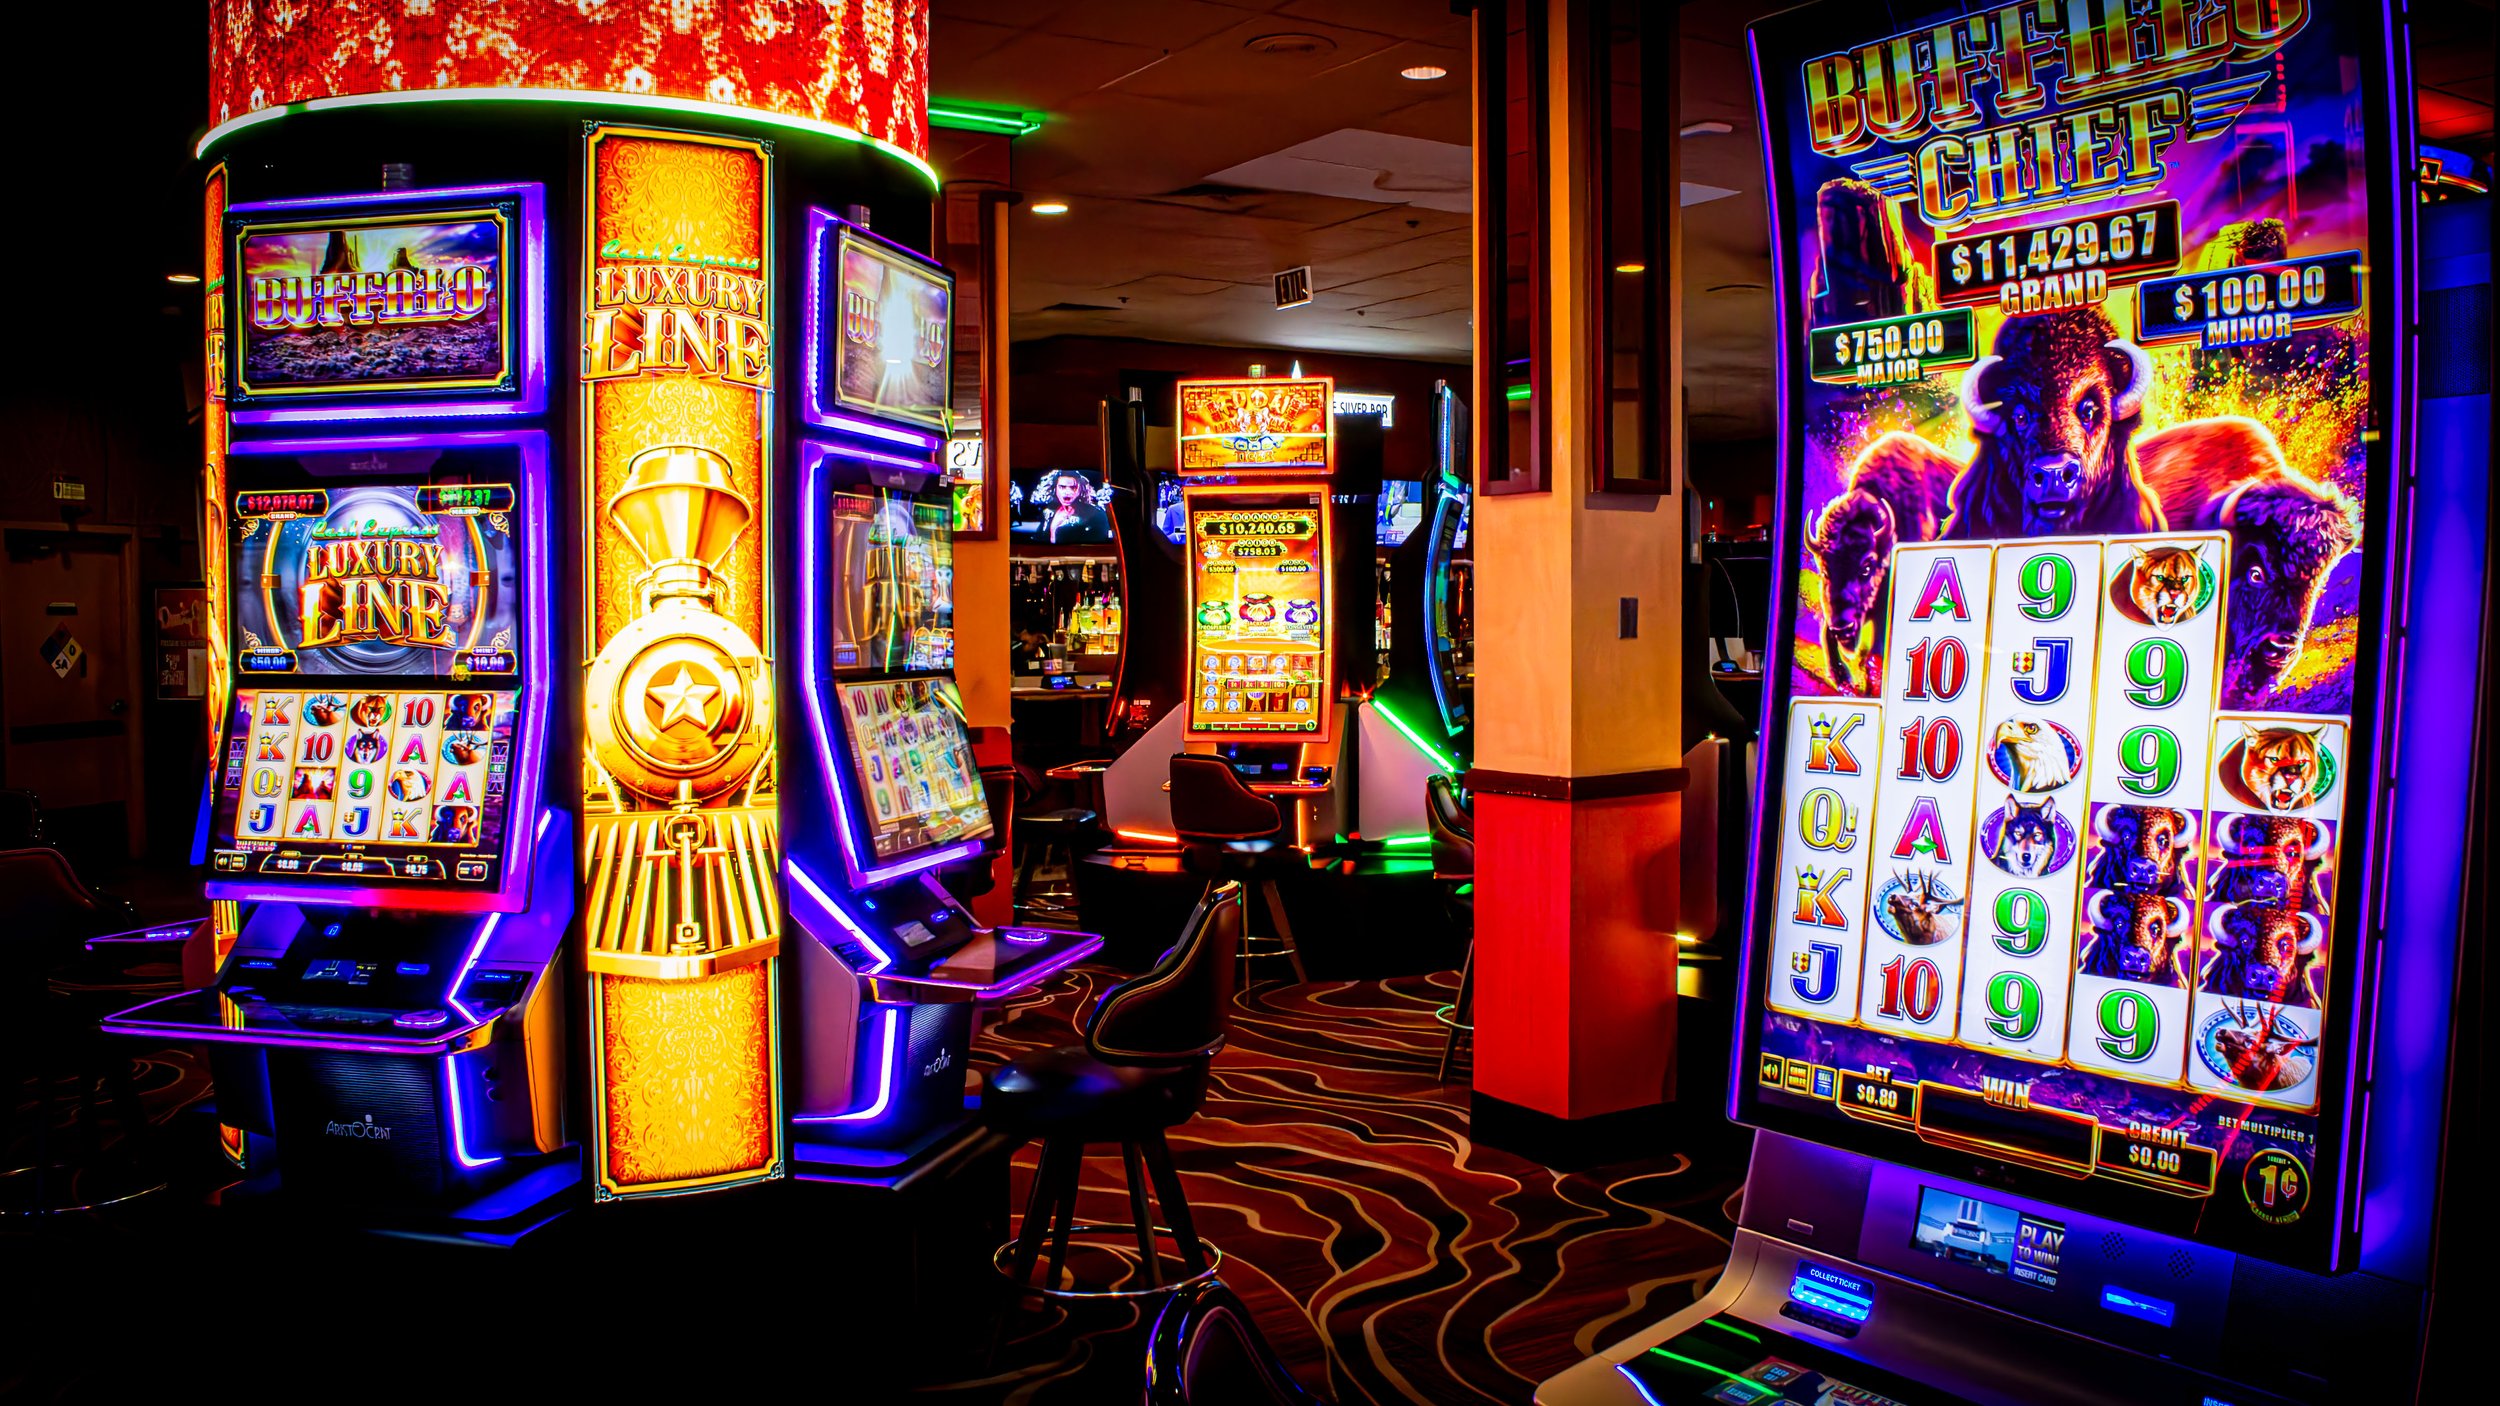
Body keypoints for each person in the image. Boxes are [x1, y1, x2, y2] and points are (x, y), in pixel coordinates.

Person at [1034, 469, 1111, 544]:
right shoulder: (1049, 513)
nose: (1068, 492)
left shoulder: (1096, 514)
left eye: (1073, 487)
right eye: (1062, 487)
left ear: (1081, 489)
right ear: (1055, 489)